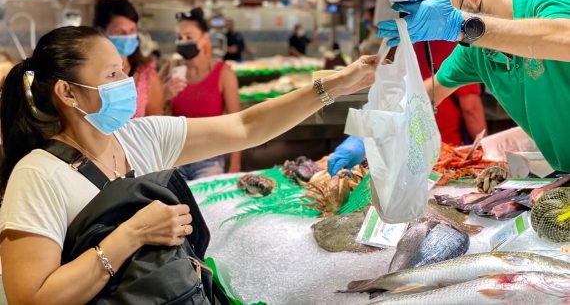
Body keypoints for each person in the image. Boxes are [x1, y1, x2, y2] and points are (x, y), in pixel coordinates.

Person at [0, 26, 376, 304]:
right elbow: (30, 298)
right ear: (67, 92)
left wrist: (337, 86)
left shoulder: (141, 138)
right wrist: (131, 234)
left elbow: (246, 126)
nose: (125, 82)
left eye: (123, 70)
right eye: (111, 75)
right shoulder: (38, 175)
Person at [328, 0, 570, 175]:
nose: (445, 20)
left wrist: (461, 25)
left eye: (448, 9)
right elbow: (427, 92)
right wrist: (366, 133)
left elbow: (563, 38)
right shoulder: (475, 50)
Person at [163, 8, 241, 178]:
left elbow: (237, 122)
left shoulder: (223, 74)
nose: (183, 42)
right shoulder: (170, 69)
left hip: (209, 158)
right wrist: (165, 94)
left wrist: (235, 164)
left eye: (189, 37)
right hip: (175, 157)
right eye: (179, 37)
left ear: (204, 38)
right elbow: (152, 112)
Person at [94, 0, 163, 117]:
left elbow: (157, 126)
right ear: (102, 32)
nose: (127, 37)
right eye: (119, 32)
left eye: (132, 30)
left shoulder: (146, 75)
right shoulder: (88, 74)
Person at [414, 41, 486, 145]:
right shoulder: (459, 47)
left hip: (418, 139)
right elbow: (470, 108)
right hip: (447, 145)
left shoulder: (417, 42)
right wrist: (485, 147)